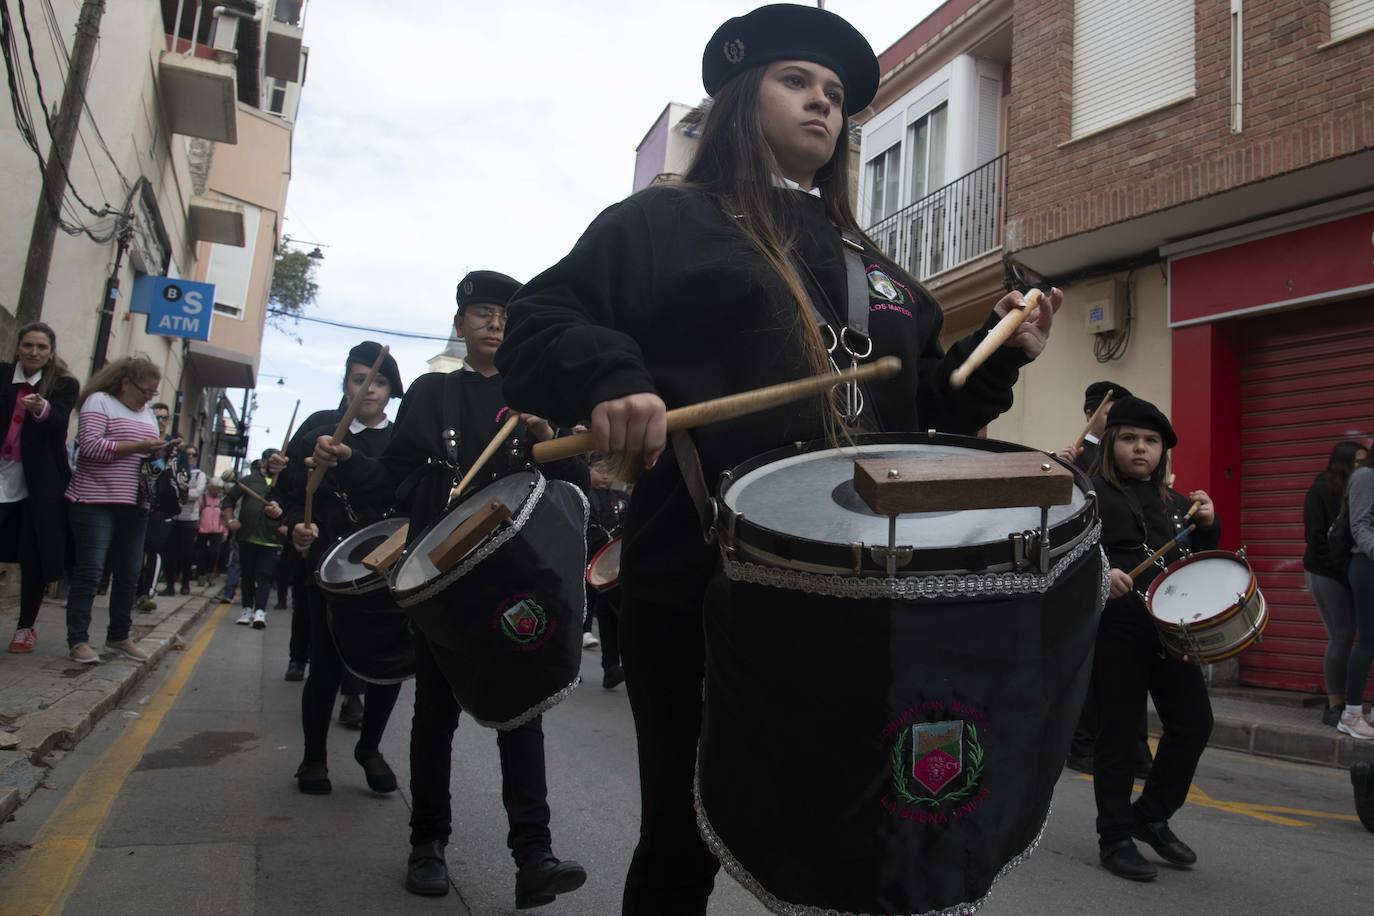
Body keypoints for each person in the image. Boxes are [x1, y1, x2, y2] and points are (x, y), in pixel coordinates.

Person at [495, 6, 1060, 911]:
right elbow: (541, 320)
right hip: (703, 577)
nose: (822, 105)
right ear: (738, 97)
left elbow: (927, 412)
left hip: (865, 590)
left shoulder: (879, 270)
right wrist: (613, 376)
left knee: (862, 831)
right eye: (797, 82)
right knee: (685, 836)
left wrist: (1000, 362)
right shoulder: (662, 223)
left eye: (835, 95)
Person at [311, 272, 590, 908]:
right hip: (439, 577)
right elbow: (391, 482)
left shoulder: (536, 393)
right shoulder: (433, 394)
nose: (495, 325)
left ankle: (534, 855)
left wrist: (550, 441)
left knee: (523, 711)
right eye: (482, 314)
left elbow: (578, 486)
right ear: (460, 324)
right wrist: (348, 461)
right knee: (436, 713)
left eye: (506, 316)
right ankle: (427, 842)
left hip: (515, 579)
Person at [1088, 396, 1218, 881]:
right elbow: (1062, 554)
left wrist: (1208, 526)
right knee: (1119, 734)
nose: (1140, 449)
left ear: (1163, 451)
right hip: (1117, 626)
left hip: (1170, 626)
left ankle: (1150, 816)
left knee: (1194, 723)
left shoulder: (1175, 503)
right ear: (1112, 444)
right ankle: (1115, 836)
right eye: (1129, 439)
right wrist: (1105, 573)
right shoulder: (1087, 493)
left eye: (1151, 441)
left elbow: (1200, 560)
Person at [284, 342, 406, 796]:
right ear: (345, 384)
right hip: (328, 556)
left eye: (377, 381)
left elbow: (407, 488)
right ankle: (313, 757)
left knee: (388, 663)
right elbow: (291, 490)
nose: (368, 389)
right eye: (359, 380)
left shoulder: (403, 437)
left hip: (388, 560)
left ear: (391, 389)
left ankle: (369, 748)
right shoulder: (320, 428)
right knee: (327, 663)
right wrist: (298, 524)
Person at [64, 357, 179, 665]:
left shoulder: (148, 416)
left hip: (134, 503)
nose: (148, 398)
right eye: (146, 390)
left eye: (154, 393)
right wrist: (136, 446)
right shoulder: (99, 402)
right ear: (125, 383)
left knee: (129, 574)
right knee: (90, 571)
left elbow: (148, 462)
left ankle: (118, 636)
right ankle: (78, 640)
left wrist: (160, 452)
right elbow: (89, 447)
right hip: (94, 500)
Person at [1061, 380, 1150, 776]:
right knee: (1091, 667)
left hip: (1128, 573)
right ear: (1092, 413)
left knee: (1128, 670)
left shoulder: (1124, 456)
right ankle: (1082, 746)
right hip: (1092, 569)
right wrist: (1060, 466)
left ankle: (1133, 748)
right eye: (1112, 415)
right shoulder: (1079, 456)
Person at [2, 322, 79, 654]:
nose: (34, 352)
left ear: (51, 352)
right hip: (2, 473)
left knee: (32, 553)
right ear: (19, 347)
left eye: (41, 347)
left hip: (39, 483)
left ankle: (25, 627)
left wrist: (41, 409)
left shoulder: (63, 384)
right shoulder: (4, 376)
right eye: (28, 345)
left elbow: (60, 423)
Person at [1303, 441, 1368, 726]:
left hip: (1347, 571)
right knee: (1342, 635)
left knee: (1356, 635)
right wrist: (1344, 569)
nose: (1363, 467)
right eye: (1358, 461)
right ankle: (1335, 704)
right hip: (1326, 572)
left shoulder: (1358, 489)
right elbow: (1316, 538)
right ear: (1343, 463)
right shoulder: (1321, 490)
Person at [1338, 447, 1374, 740]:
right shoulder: (1365, 476)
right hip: (1366, 565)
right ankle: (1350, 714)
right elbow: (1359, 525)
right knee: (1367, 639)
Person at [226, 450, 285, 629]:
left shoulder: (285, 482)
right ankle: (246, 609)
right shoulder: (249, 480)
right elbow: (229, 499)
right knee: (248, 575)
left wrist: (287, 524)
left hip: (271, 539)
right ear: (265, 461)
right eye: (272, 460)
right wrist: (230, 520)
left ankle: (260, 611)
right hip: (247, 536)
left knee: (265, 576)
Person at [585, 455, 628, 689]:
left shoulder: (622, 499)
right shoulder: (583, 497)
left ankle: (611, 668)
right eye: (599, 470)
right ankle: (618, 664)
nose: (604, 475)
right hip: (594, 563)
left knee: (608, 615)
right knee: (617, 613)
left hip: (619, 566)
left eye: (608, 471)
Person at [135, 402, 175, 612]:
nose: (160, 422)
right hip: (136, 505)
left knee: (153, 549)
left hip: (159, 509)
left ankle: (146, 592)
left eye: (164, 418)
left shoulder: (173, 446)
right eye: (156, 417)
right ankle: (133, 591)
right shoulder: (141, 440)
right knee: (135, 549)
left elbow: (178, 481)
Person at [162, 445, 206, 596]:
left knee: (186, 554)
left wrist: (179, 493)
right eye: (187, 454)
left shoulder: (199, 474)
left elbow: (197, 493)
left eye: (193, 455)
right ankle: (169, 585)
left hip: (189, 520)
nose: (190, 457)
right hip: (173, 518)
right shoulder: (175, 471)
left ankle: (185, 584)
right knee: (169, 553)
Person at [195, 480, 227, 587]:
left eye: (218, 488)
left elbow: (224, 517)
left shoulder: (222, 500)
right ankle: (200, 575)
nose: (216, 491)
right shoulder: (202, 498)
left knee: (214, 553)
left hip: (217, 530)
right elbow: (197, 513)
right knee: (201, 553)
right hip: (202, 529)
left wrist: (225, 531)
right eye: (214, 488)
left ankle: (210, 574)